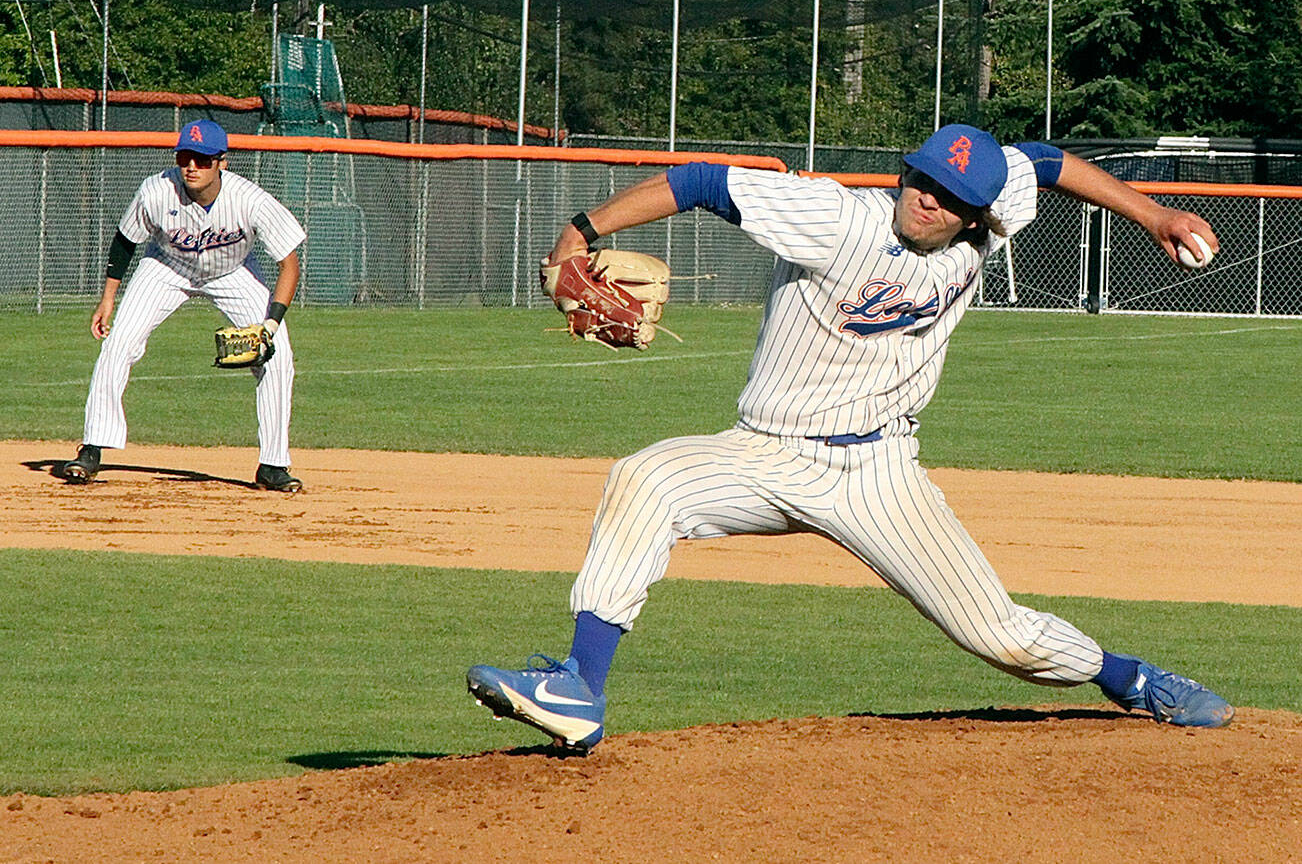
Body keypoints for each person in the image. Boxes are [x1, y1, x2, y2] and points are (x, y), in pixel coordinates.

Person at [466, 124, 1233, 752]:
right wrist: (580, 232)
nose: (925, 200)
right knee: (647, 478)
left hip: (880, 474)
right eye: (919, 179)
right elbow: (703, 180)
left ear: (980, 213)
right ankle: (580, 688)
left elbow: (1048, 161)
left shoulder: (998, 208)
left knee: (1004, 639)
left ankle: (1130, 678)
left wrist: (1154, 215)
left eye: (949, 196)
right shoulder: (838, 219)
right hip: (765, 452)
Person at [61, 119, 307, 492]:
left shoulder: (250, 199)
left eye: (203, 158)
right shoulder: (157, 190)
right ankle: (92, 449)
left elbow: (289, 264)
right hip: (166, 266)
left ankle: (273, 464)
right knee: (119, 343)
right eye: (185, 156)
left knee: (277, 355)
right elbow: (126, 241)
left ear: (222, 162)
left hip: (233, 271)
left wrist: (271, 324)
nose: (192, 165)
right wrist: (108, 299)